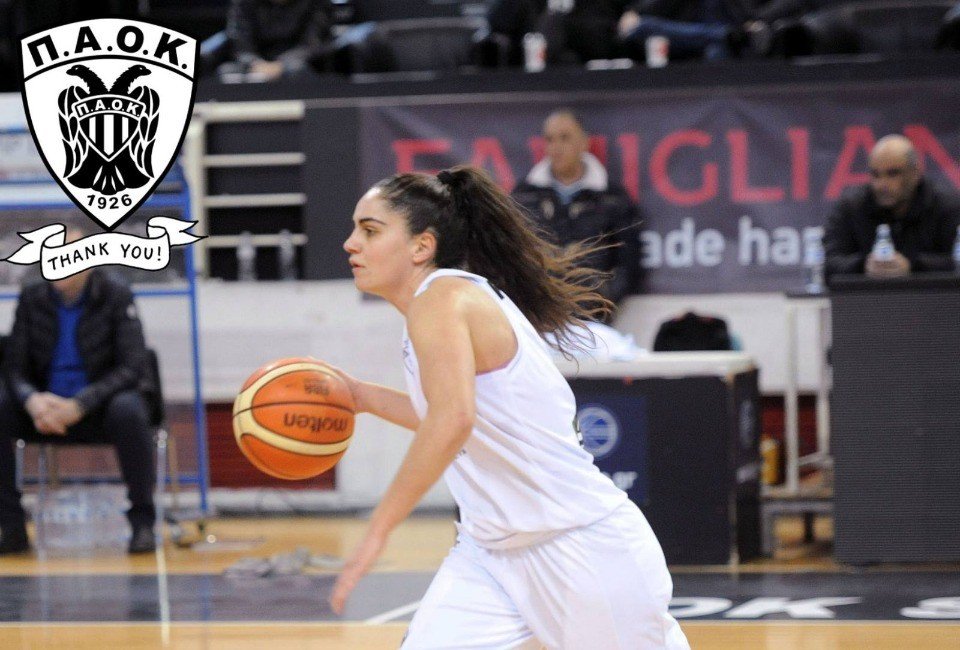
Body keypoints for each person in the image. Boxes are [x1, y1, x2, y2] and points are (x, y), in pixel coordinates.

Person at [328, 166, 689, 648]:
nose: (351, 243)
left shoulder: (443, 299)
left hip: (579, 547)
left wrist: (380, 527)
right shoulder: (437, 305)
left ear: (421, 246)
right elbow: (462, 417)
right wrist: (361, 397)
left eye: (370, 230)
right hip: (489, 554)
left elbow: (453, 420)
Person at [0, 231, 156, 555]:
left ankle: (142, 523)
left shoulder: (115, 294)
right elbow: (13, 366)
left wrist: (80, 404)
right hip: (45, 411)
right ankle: (12, 527)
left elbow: (133, 367)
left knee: (129, 409)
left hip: (98, 407)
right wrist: (32, 400)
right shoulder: (32, 297)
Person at [512, 109, 641, 316]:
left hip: (594, 318)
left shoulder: (613, 198)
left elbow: (629, 264)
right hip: (534, 316)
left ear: (584, 143)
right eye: (550, 139)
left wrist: (599, 303)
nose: (556, 147)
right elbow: (509, 255)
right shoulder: (523, 196)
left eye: (565, 138)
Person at [823, 134, 960, 280]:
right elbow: (829, 264)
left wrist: (913, 266)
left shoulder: (947, 206)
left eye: (893, 174)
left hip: (932, 294)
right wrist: (863, 265)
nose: (882, 185)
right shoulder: (850, 208)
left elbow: (955, 262)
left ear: (915, 173)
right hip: (870, 294)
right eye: (875, 175)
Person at [208, 0, 333, 80]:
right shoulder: (243, 3)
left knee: (297, 71)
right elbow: (239, 40)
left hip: (296, 61)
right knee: (226, 72)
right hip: (254, 62)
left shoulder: (315, 3)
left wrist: (280, 65)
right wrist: (254, 63)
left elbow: (312, 43)